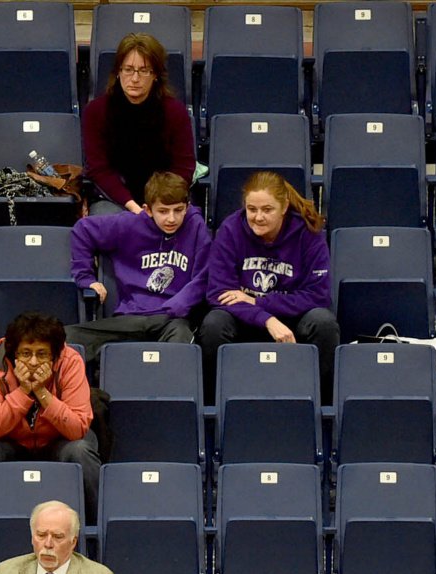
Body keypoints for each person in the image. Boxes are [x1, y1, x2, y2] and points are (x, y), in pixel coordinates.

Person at [199, 171, 339, 404]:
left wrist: (258, 301)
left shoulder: (308, 233)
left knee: (323, 323)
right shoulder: (231, 229)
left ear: (284, 207)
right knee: (214, 324)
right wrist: (266, 318)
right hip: (246, 319)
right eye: (252, 209)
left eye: (267, 210)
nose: (258, 217)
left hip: (292, 319)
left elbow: (318, 296)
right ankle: (215, 407)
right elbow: (218, 293)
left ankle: (321, 407)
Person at [0, 312, 100, 520]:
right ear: (14, 354)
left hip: (58, 440)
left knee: (81, 449)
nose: (33, 361)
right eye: (26, 353)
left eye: (42, 354)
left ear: (54, 355)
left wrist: (43, 394)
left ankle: (91, 529)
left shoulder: (70, 362)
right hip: (10, 441)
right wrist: (23, 393)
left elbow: (78, 427)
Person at [68, 172, 211, 360]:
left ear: (187, 207)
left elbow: (204, 276)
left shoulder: (196, 227)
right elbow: (82, 230)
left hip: (172, 321)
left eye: (178, 210)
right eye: (163, 211)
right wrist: (86, 278)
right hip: (130, 318)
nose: (171, 218)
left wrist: (177, 306)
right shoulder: (129, 225)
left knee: (180, 339)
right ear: (148, 209)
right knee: (64, 338)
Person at [83, 34, 194, 217]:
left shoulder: (175, 112)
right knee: (111, 225)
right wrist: (135, 208)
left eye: (144, 71)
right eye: (128, 69)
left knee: (191, 222)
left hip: (165, 199)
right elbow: (99, 169)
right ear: (118, 72)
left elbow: (183, 167)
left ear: (156, 75)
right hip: (115, 198)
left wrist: (159, 207)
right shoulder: (96, 111)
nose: (135, 79)